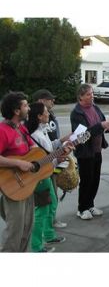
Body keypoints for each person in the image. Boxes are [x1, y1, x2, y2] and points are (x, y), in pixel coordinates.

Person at [26, 103, 70, 252]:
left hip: (46, 173)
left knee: (52, 205)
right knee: (41, 210)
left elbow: (48, 150)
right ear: (39, 116)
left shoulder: (41, 131)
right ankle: (36, 246)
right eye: (46, 112)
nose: (49, 114)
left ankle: (49, 235)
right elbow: (41, 160)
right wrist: (58, 158)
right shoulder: (35, 134)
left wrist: (61, 146)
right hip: (40, 177)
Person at [70, 84, 109, 220]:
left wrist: (108, 127)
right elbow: (83, 135)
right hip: (85, 152)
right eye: (89, 94)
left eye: (92, 94)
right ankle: (82, 208)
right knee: (86, 180)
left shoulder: (95, 107)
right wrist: (100, 126)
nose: (92, 96)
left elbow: (102, 122)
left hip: (97, 150)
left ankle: (90, 205)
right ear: (81, 97)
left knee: (95, 179)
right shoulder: (77, 113)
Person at [0, 92, 35, 252]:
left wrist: (57, 155)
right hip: (11, 187)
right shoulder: (2, 130)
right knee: (15, 233)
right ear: (16, 111)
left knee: (27, 229)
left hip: (27, 184)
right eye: (26, 105)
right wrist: (18, 163)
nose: (29, 108)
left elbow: (34, 151)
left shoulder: (21, 128)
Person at [32, 89, 67, 229]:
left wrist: (63, 142)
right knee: (44, 203)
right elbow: (38, 154)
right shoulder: (35, 131)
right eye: (50, 99)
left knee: (52, 197)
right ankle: (42, 236)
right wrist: (56, 159)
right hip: (43, 169)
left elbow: (50, 145)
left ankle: (50, 227)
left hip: (50, 162)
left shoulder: (47, 122)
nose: (53, 101)